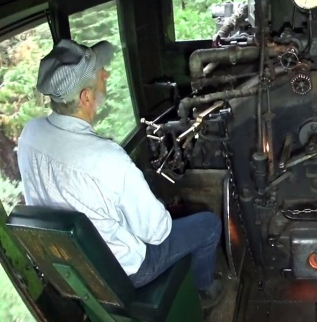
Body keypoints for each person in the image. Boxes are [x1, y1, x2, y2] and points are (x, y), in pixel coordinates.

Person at [16, 39, 223, 306]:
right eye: (100, 73)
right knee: (208, 225)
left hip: (73, 265)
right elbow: (158, 233)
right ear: (86, 97)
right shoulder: (107, 158)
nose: (107, 74)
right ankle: (204, 291)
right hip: (127, 270)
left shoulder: (29, 134)